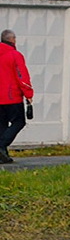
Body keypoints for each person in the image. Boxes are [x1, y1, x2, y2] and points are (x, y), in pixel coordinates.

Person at [0, 29, 33, 164]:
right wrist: (28, 94)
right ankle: (1, 145)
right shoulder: (15, 55)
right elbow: (22, 77)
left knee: (1, 125)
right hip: (11, 96)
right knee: (19, 122)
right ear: (13, 40)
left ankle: (3, 155)